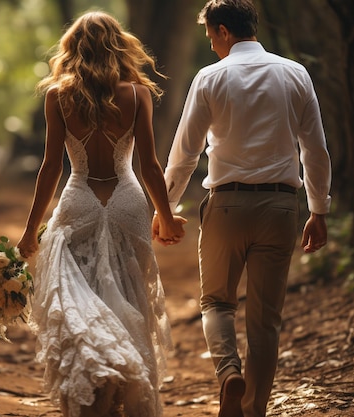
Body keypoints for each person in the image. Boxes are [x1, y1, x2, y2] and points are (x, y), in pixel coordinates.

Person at [153, 1, 332, 416]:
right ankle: (253, 411)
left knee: (217, 303)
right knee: (266, 320)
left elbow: (185, 154)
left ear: (222, 31)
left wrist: (166, 209)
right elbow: (315, 150)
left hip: (227, 206)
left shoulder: (210, 77)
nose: (212, 46)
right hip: (281, 207)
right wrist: (318, 210)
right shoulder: (294, 73)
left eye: (211, 38)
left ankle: (229, 371)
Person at [17, 11, 187, 417]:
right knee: (129, 293)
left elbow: (51, 168)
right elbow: (149, 166)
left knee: (79, 298)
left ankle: (98, 383)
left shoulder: (58, 95)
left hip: (78, 200)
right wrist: (165, 215)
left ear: (72, 48)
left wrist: (30, 231)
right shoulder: (138, 93)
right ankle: (123, 376)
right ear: (118, 44)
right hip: (128, 202)